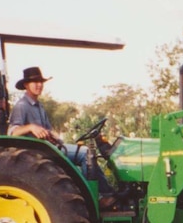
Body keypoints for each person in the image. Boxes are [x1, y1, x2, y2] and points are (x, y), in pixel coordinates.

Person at [8, 66, 116, 209]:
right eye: (34, 82)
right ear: (26, 85)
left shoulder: (39, 106)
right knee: (86, 154)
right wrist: (30, 127)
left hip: (50, 146)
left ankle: (108, 194)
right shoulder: (22, 106)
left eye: (40, 81)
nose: (39, 85)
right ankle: (98, 198)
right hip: (38, 152)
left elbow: (47, 129)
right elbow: (12, 132)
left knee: (86, 153)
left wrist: (53, 135)